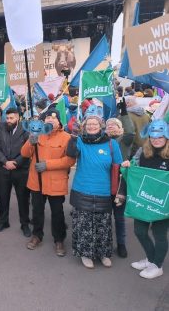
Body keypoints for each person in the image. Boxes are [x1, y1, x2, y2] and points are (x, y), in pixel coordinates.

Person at [67, 112, 122, 269]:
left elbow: (117, 166)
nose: (91, 126)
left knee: (103, 225)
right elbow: (70, 154)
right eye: (88, 124)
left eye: (95, 124)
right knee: (84, 224)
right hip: (82, 189)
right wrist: (73, 136)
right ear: (84, 126)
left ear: (101, 126)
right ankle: (86, 253)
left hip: (103, 191)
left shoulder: (112, 144)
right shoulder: (80, 141)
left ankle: (103, 253)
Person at [21, 109, 76, 256]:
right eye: (47, 118)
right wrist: (31, 142)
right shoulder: (37, 132)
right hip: (36, 182)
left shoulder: (67, 138)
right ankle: (37, 236)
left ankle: (59, 240)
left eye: (54, 118)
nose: (50, 120)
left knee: (57, 213)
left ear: (59, 121)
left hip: (56, 183)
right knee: (37, 211)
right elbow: (25, 154)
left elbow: (70, 160)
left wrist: (48, 165)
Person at [118, 120, 169, 279]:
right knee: (139, 231)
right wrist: (127, 165)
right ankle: (151, 259)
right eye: (153, 136)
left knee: (159, 234)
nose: (156, 139)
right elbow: (133, 169)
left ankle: (157, 265)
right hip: (143, 201)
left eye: (160, 136)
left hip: (163, 204)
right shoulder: (142, 151)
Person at [0, 108, 31, 236]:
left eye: (11, 118)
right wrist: (5, 162)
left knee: (23, 199)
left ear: (18, 118)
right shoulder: (1, 129)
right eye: (7, 118)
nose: (8, 121)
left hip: (21, 170)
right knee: (3, 197)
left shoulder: (25, 130)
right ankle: (4, 221)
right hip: (3, 170)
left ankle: (24, 224)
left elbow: (28, 150)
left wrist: (15, 162)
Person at [105, 98, 136, 258]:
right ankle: (106, 244)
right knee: (104, 217)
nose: (111, 127)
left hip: (119, 184)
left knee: (118, 217)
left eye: (114, 125)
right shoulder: (102, 141)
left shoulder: (125, 140)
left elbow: (131, 131)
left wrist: (123, 113)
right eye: (108, 125)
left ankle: (121, 244)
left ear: (120, 128)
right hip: (103, 183)